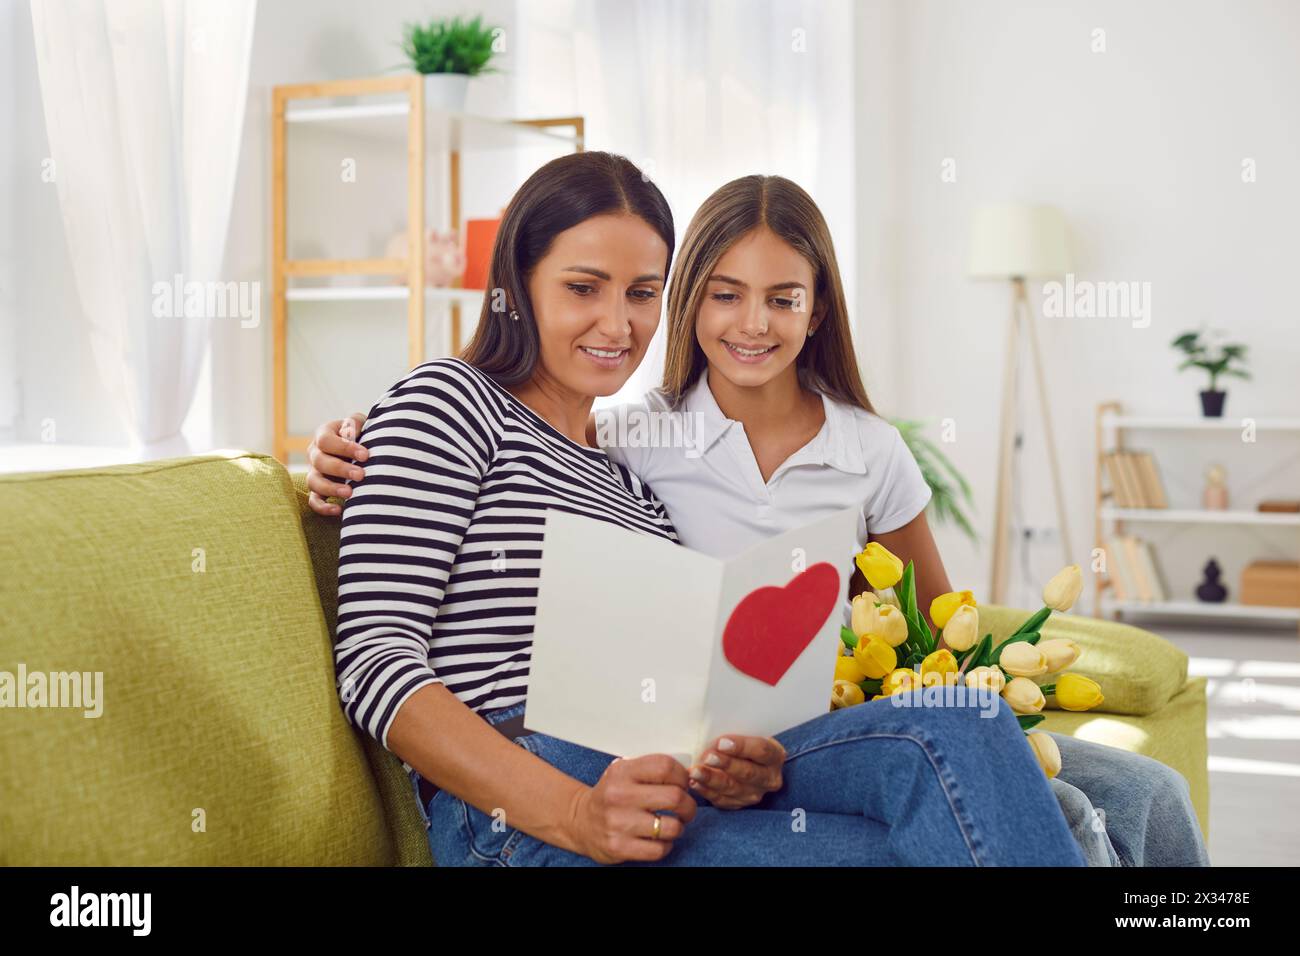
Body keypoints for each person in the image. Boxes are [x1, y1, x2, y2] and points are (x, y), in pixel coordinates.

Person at [322, 150, 1091, 867]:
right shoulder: (449, 402)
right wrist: (576, 812)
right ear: (517, 286)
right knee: (944, 784)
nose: (618, 325)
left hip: (668, 785)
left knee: (963, 740)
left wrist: (738, 762)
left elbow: (679, 690)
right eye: (582, 288)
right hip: (525, 800)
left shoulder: (631, 479)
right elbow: (375, 661)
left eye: (640, 293)